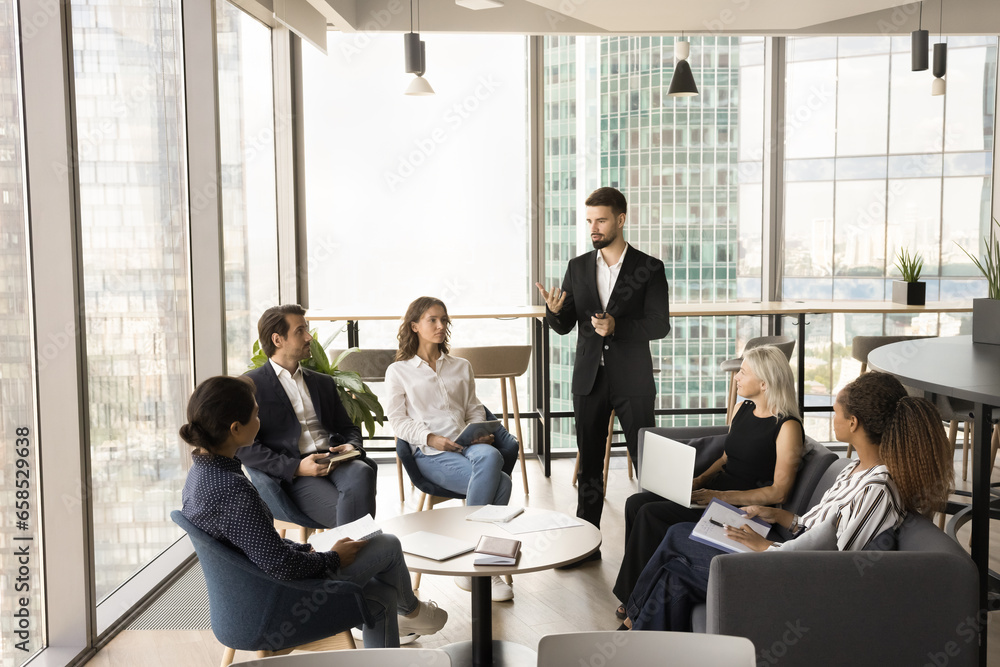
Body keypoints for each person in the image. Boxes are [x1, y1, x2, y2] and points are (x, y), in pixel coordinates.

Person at [623, 371, 953, 632]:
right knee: (674, 574)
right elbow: (818, 531)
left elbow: (835, 569)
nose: (832, 417)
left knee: (679, 537)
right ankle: (641, 639)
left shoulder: (876, 490)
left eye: (836, 412)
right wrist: (780, 516)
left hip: (787, 577)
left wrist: (763, 548)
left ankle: (630, 622)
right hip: (785, 555)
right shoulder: (854, 469)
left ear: (853, 424)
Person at [179, 375, 448, 648]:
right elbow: (281, 567)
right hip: (276, 609)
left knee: (382, 596)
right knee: (388, 544)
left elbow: (254, 545)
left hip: (248, 599)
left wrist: (303, 549)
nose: (260, 421)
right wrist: (332, 558)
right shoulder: (233, 490)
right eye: (256, 414)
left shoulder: (201, 474)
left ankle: (409, 615)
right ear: (235, 429)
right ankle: (414, 611)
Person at [611, 345, 803, 618]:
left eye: (743, 372)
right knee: (635, 502)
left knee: (651, 514)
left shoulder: (787, 426)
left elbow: (779, 491)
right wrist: (699, 480)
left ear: (764, 383)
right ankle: (633, 591)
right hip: (715, 493)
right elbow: (726, 457)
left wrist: (722, 497)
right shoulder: (742, 408)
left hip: (741, 509)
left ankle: (635, 603)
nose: (736, 377)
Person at [535, 186, 671, 538]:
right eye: (590, 221)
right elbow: (565, 326)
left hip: (634, 380)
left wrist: (617, 327)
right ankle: (586, 539)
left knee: (647, 461)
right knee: (590, 465)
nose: (594, 228)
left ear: (621, 219)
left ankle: (654, 540)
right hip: (589, 379)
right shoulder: (577, 267)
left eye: (601, 220)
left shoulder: (649, 268)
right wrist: (552, 312)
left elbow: (660, 324)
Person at [384, 296, 519, 601]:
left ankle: (470, 561)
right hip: (430, 454)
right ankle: (488, 565)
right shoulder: (399, 371)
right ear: (415, 326)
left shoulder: (461, 366)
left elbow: (473, 408)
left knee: (492, 454)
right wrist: (432, 439)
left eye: (444, 320)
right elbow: (398, 422)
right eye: (432, 320)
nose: (441, 326)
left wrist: (479, 431)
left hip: (468, 445)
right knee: (504, 482)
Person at [240, 304, 377, 528]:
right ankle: (358, 550)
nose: (309, 337)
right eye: (300, 331)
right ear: (277, 340)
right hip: (296, 471)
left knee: (362, 470)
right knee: (354, 518)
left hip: (335, 459)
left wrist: (351, 445)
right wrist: (295, 467)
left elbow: (348, 428)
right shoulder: (251, 385)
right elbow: (245, 447)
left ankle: (347, 555)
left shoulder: (322, 382)